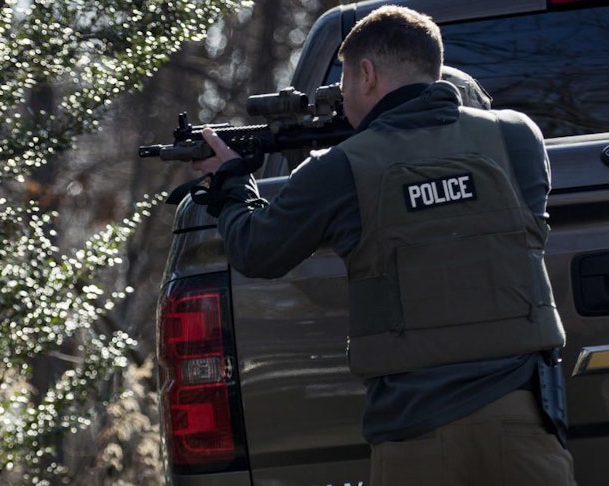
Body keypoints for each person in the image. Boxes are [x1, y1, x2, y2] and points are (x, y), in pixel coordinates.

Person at [191, 5, 576, 485]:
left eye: (345, 81)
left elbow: (255, 250)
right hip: (524, 422)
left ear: (367, 75)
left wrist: (230, 183)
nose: (343, 97)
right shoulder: (518, 137)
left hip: (414, 431)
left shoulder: (339, 168)